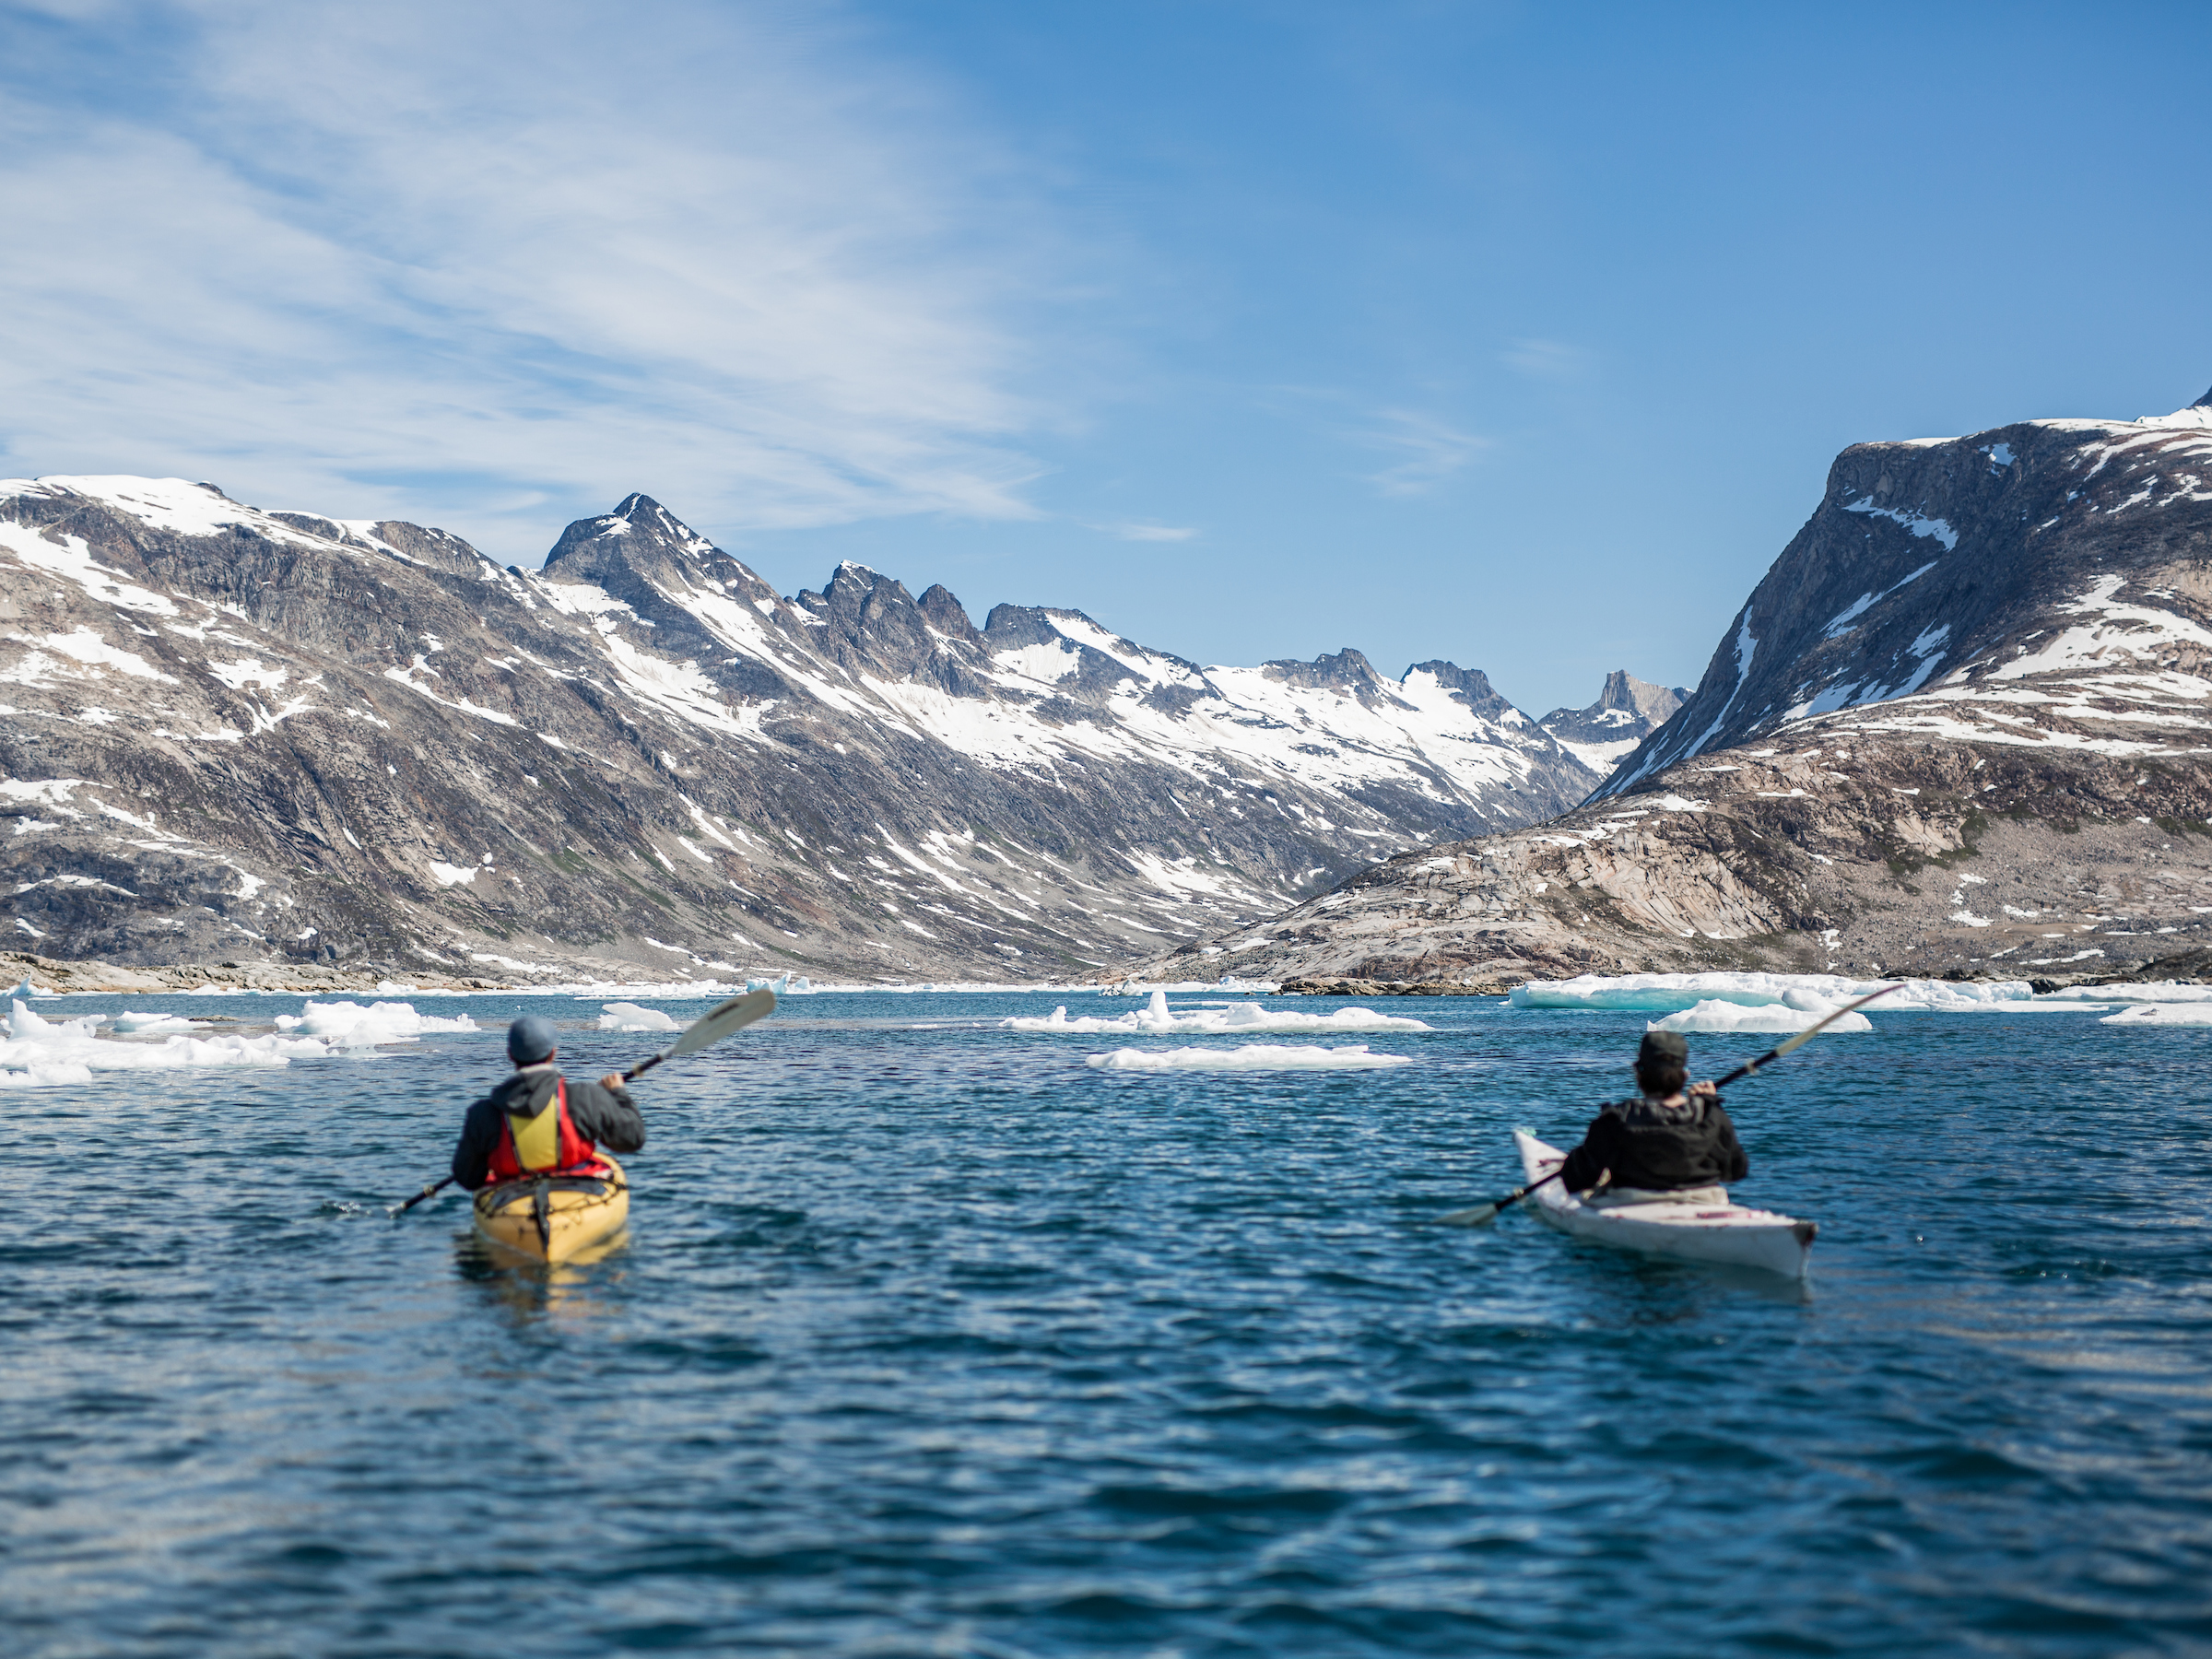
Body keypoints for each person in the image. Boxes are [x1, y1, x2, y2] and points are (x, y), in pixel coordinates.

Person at [452, 1015, 646, 1191]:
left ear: (510, 1054)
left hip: (513, 1204)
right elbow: (632, 1139)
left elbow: (468, 1178)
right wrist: (618, 1094)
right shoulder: (585, 1096)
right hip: (577, 1193)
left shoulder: (482, 1113)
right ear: (553, 1053)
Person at [1556, 1030, 1747, 1204]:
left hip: (1631, 1203)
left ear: (1638, 1073)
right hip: (1704, 1202)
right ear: (1685, 1075)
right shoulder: (1711, 1116)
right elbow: (1736, 1171)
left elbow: (1576, 1180)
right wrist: (1708, 1103)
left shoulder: (1615, 1120)